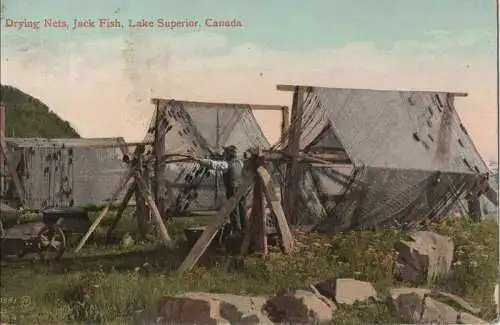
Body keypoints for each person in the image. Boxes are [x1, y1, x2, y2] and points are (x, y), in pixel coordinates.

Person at [193, 145, 246, 234]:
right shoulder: (240, 163)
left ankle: (237, 232)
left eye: (225, 152)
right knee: (242, 209)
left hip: (232, 189)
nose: (223, 154)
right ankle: (245, 230)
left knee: (233, 211)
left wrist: (198, 160)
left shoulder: (227, 164)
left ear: (228, 154)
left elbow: (213, 164)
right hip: (241, 188)